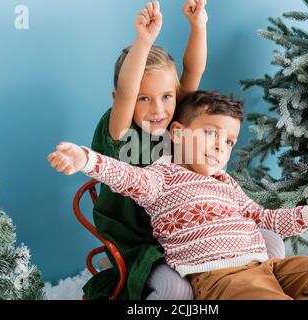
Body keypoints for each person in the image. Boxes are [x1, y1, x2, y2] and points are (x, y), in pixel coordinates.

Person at [48, 91, 308, 300]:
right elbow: (124, 175)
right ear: (179, 134)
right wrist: (85, 159)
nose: (220, 148)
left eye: (229, 142)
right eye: (211, 134)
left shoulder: (226, 182)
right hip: (219, 278)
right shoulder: (162, 178)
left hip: (265, 267)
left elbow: (264, 218)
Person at [86, 1, 208, 299]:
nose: (158, 109)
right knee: (177, 290)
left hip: (175, 230)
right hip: (136, 239)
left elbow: (192, 71)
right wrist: (144, 40)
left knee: (220, 271)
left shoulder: (174, 118)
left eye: (167, 96)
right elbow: (127, 91)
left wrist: (198, 26)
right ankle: (131, 275)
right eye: (145, 99)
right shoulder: (120, 129)